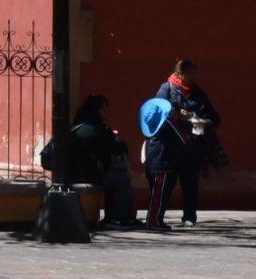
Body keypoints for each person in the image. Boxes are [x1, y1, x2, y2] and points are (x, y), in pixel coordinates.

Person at [42, 94, 137, 229]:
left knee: (114, 176)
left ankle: (113, 217)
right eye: (103, 109)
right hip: (87, 174)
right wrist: (119, 142)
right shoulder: (95, 128)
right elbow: (113, 147)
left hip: (72, 173)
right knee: (121, 179)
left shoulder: (77, 124)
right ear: (96, 110)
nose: (106, 113)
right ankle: (117, 218)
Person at [148, 59, 220, 228]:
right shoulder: (167, 89)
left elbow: (215, 117)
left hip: (191, 148)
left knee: (190, 184)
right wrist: (180, 116)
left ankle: (189, 216)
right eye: (191, 73)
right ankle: (156, 219)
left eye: (195, 73)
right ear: (179, 74)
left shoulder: (198, 93)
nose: (194, 77)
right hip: (169, 147)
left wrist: (203, 121)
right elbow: (158, 114)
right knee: (165, 185)